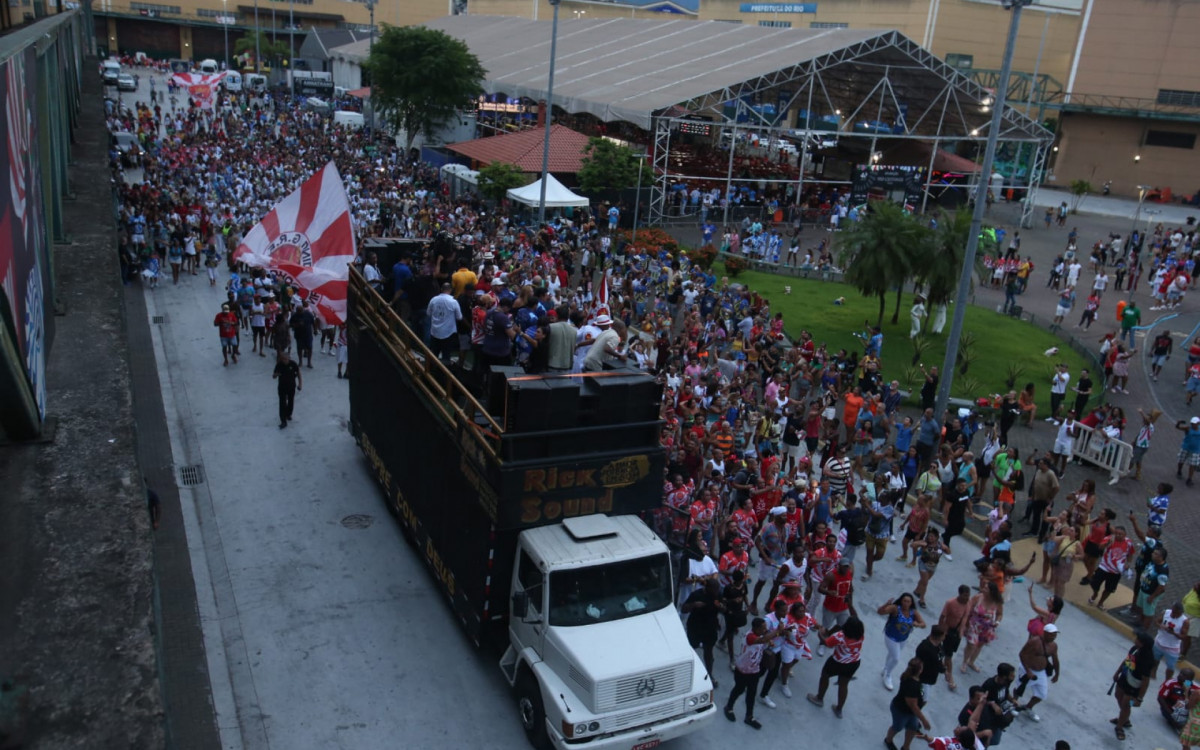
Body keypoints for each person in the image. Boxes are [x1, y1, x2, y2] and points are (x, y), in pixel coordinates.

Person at [725, 616, 784, 730]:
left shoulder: (760, 634)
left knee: (751, 694)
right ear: (755, 628)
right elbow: (762, 640)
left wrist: (772, 637)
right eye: (762, 628)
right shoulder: (750, 636)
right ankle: (729, 707)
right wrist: (777, 632)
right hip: (742, 670)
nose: (765, 630)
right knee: (739, 689)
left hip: (754, 670)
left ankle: (749, 716)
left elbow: (765, 637)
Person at [806, 615, 866, 718]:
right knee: (843, 685)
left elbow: (827, 643)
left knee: (825, 676)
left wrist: (820, 633)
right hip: (854, 662)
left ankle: (819, 698)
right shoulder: (860, 635)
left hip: (837, 661)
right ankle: (839, 709)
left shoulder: (840, 636)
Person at [1111, 632, 1156, 741]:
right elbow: (1127, 660)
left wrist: (1139, 698)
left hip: (1134, 686)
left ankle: (1120, 726)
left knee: (1126, 704)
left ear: (1143, 643)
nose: (1136, 640)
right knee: (1118, 695)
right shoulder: (1134, 649)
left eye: (1138, 639)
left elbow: (1145, 681)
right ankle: (1124, 718)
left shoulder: (1148, 660)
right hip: (1125, 677)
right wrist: (1118, 672)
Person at [1012, 622, 1060, 722]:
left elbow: (1055, 659)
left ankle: (1028, 707)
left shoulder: (1053, 646)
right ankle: (1013, 705)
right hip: (1027, 668)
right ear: (1045, 633)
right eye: (1052, 634)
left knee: (1042, 694)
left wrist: (1057, 674)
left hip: (1041, 671)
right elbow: (1022, 654)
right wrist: (1028, 670)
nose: (1054, 637)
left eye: (1055, 634)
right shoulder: (1034, 641)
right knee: (1019, 688)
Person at [681, 577, 724, 688]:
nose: (716, 592)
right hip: (695, 627)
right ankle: (685, 675)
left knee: (709, 652)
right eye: (714, 590)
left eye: (717, 590)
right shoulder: (696, 595)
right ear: (707, 588)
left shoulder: (718, 595)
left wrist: (720, 607)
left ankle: (709, 675)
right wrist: (694, 605)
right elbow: (684, 609)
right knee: (691, 649)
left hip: (710, 627)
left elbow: (723, 609)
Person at [879, 593, 927, 691]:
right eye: (904, 601)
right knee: (896, 658)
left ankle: (885, 668)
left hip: (903, 639)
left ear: (911, 603)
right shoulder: (896, 608)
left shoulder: (913, 612)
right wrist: (886, 605)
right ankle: (888, 675)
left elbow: (924, 624)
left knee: (892, 654)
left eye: (908, 601)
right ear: (901, 601)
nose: (906, 603)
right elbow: (880, 612)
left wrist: (917, 624)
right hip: (891, 637)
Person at [885, 657, 933, 750]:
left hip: (910, 713)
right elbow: (913, 706)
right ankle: (888, 740)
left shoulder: (914, 678)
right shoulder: (911, 685)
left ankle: (906, 747)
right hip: (901, 710)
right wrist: (924, 720)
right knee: (897, 727)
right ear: (919, 670)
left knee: (913, 727)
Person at [961, 582, 1004, 674]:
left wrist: (997, 622)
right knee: (971, 644)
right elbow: (968, 609)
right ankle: (964, 661)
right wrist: (965, 624)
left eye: (986, 588)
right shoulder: (978, 597)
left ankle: (971, 662)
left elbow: (1000, 614)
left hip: (987, 627)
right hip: (974, 624)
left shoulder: (997, 602)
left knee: (980, 645)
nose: (983, 589)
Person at [939, 585, 972, 690]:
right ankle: (950, 677)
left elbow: (966, 617)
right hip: (948, 631)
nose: (967, 598)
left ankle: (944, 667)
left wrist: (963, 630)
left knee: (948, 653)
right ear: (960, 594)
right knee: (948, 656)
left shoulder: (968, 603)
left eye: (968, 595)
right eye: (965, 595)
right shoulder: (950, 603)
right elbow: (942, 617)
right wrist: (941, 632)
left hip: (957, 634)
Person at [426, 282, 462, 364]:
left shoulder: (433, 299)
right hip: (448, 333)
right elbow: (459, 317)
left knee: (433, 354)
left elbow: (428, 313)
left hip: (435, 331)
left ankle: (430, 372)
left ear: (441, 290)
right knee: (446, 355)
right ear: (450, 290)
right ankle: (443, 374)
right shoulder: (453, 302)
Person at [1154, 602, 1190, 681]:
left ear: (1180, 613)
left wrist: (1173, 633)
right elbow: (1156, 621)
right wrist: (1161, 626)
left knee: (1170, 666)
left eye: (1175, 613)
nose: (1173, 614)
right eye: (1173, 611)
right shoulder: (1166, 612)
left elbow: (1184, 636)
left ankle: (1167, 680)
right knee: (1155, 660)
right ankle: (1153, 674)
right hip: (1159, 642)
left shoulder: (1185, 621)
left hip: (1172, 647)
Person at [272, 350, 302, 429]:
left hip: (291, 386)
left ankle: (288, 414)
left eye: (285, 359)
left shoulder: (293, 364)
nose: (284, 360)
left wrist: (300, 384)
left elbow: (298, 373)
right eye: (283, 359)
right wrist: (276, 374)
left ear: (289, 358)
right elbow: (273, 376)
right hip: (282, 387)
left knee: (291, 401)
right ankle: (283, 421)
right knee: (282, 403)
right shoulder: (279, 365)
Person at [1175, 417, 1200, 487]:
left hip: (1195, 450)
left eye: (1194, 424)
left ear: (1198, 423)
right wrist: (1178, 423)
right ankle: (1179, 471)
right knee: (1181, 460)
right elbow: (1178, 427)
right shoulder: (1188, 428)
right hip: (1185, 448)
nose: (1193, 425)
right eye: (1192, 423)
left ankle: (1189, 479)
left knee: (1192, 465)